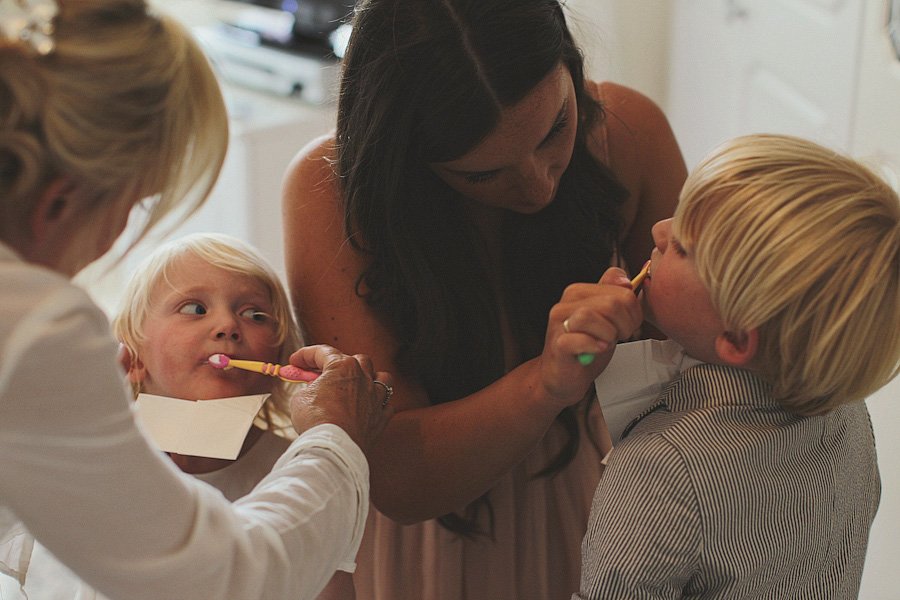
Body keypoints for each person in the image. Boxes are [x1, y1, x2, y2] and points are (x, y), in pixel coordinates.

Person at [282, 0, 686, 597]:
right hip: (419, 545)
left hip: (598, 508)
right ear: (406, 155)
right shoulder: (331, 194)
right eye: (481, 174)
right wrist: (546, 381)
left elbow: (704, 363)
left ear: (570, 66)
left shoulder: (627, 132)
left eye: (555, 130)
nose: (539, 183)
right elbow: (399, 478)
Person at [0, 2, 392, 599]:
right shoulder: (34, 328)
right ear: (60, 200)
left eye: (255, 313)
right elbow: (221, 578)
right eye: (131, 206)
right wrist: (335, 439)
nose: (228, 328)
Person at [575, 133, 899, 599]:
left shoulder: (661, 472)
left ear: (735, 338)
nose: (660, 230)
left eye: (683, 246)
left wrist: (581, 356)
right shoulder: (847, 412)